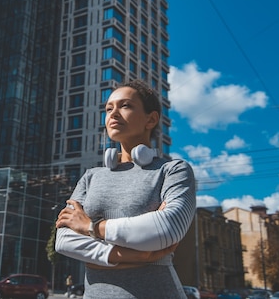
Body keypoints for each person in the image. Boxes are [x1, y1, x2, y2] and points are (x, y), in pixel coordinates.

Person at [55, 79, 196, 299]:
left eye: (125, 106)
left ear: (151, 119)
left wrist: (91, 227)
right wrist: (138, 255)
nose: (113, 114)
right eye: (109, 108)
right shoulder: (92, 176)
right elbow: (63, 240)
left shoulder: (173, 170)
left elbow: (169, 229)